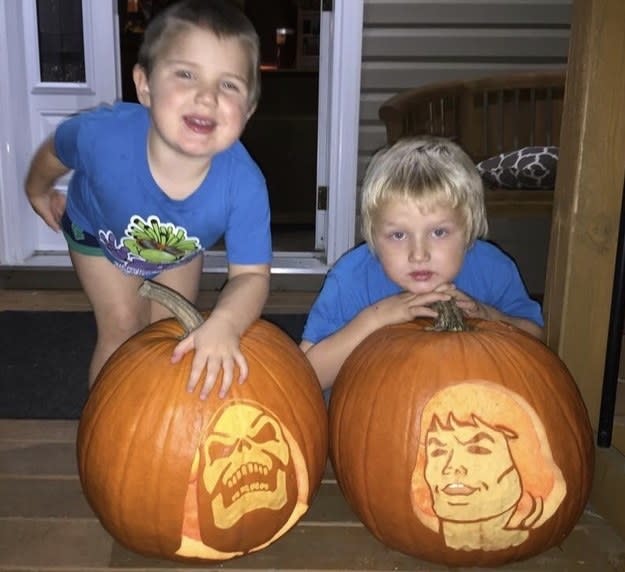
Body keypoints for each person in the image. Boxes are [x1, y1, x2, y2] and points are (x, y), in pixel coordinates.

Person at [24, 0, 271, 400]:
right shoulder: (103, 138)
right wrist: (37, 190)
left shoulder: (245, 186)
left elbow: (251, 276)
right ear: (145, 86)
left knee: (168, 332)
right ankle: (107, 430)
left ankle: (155, 418)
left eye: (228, 84)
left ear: (249, 111)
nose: (206, 97)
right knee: (123, 327)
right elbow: (56, 151)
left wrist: (226, 322)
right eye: (186, 74)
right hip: (98, 236)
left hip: (177, 247)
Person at [300, 135, 544, 391]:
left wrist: (488, 317)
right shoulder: (350, 279)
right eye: (398, 235)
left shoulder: (494, 269)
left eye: (439, 232)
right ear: (374, 235)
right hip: (378, 411)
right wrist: (374, 320)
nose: (418, 254)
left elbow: (535, 342)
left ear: (469, 229)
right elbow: (306, 377)